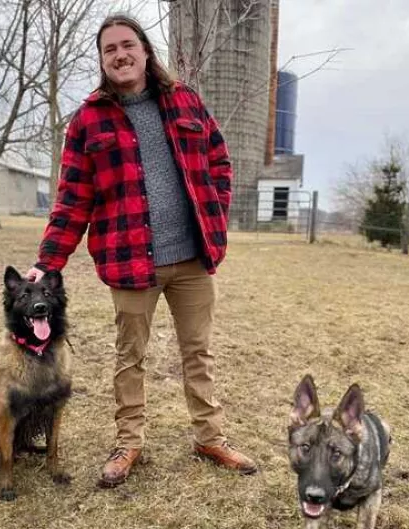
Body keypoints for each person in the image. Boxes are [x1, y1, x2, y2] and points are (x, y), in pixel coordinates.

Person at [27, 13, 257, 488]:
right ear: (103, 60)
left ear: (146, 50)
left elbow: (219, 159)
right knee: (130, 357)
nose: (120, 55)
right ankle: (128, 443)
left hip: (192, 260)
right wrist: (47, 263)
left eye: (127, 45)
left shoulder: (184, 101)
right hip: (132, 263)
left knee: (200, 353)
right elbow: (72, 199)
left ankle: (209, 437)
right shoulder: (88, 120)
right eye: (109, 49)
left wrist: (214, 209)